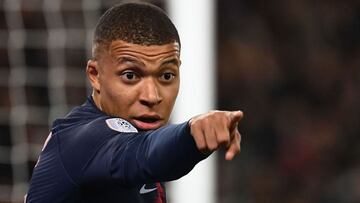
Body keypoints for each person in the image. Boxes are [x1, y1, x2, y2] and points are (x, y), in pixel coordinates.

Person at [26, 2, 243, 203]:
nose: (151, 96)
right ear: (95, 75)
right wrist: (190, 134)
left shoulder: (139, 136)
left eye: (166, 76)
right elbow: (141, 154)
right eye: (130, 75)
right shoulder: (84, 141)